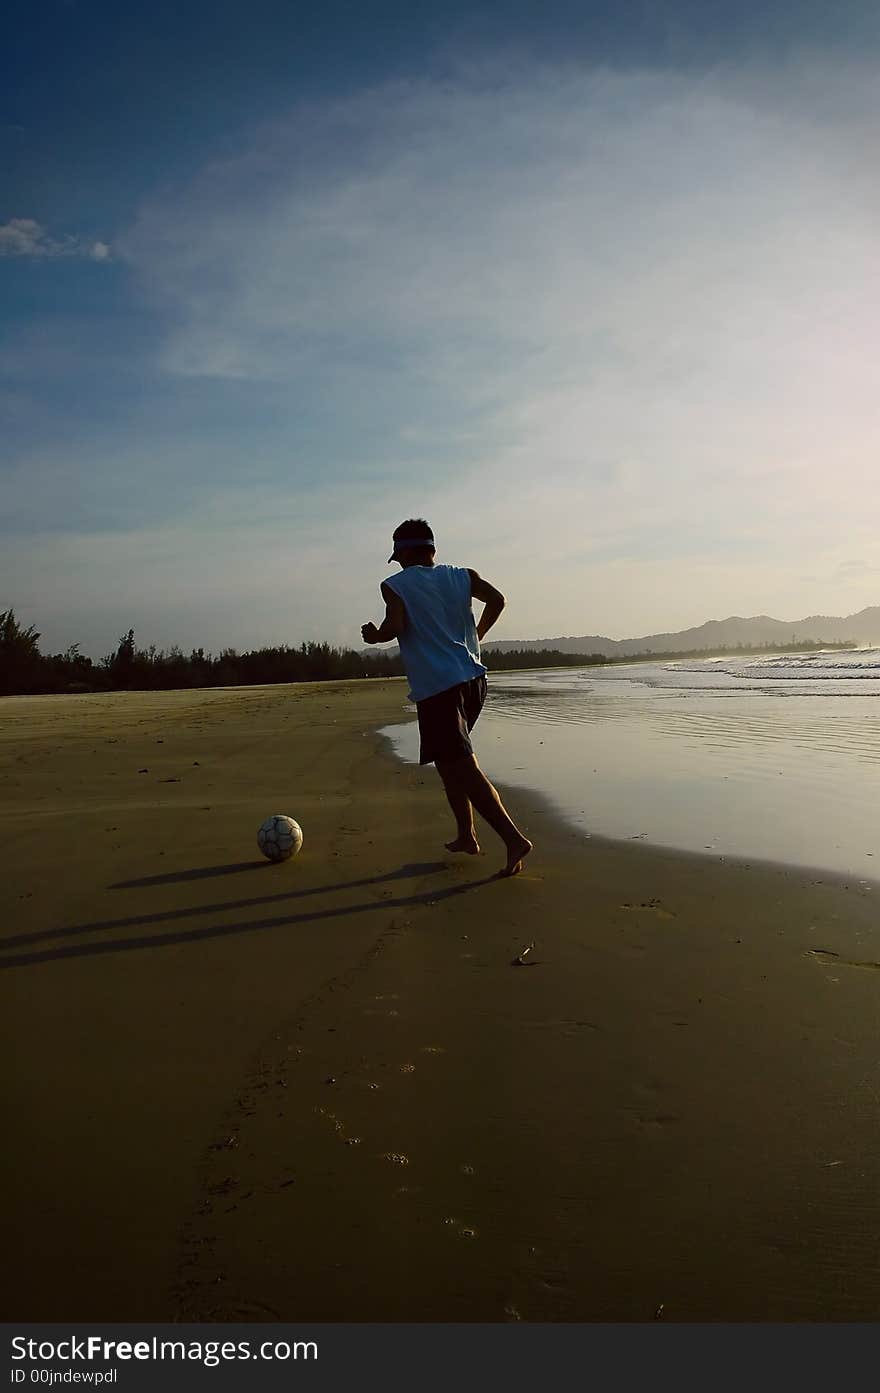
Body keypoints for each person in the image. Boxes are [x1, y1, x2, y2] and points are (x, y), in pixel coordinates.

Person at [361, 519, 533, 878]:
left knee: (462, 766)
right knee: (448, 760)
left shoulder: (394, 585)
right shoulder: (462, 576)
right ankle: (466, 835)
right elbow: (498, 600)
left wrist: (377, 637)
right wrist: (477, 636)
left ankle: (514, 839)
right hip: (473, 679)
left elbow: (396, 625)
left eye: (399, 555)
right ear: (432, 549)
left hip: (438, 687)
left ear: (404, 552)